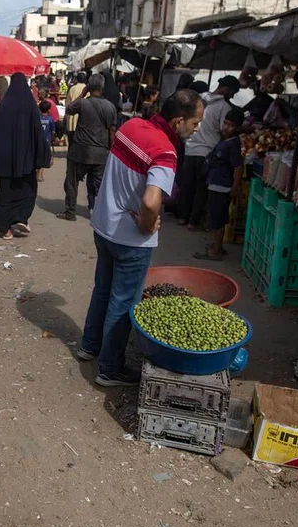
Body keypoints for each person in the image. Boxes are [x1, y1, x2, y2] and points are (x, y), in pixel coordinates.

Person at [78, 90, 205, 386]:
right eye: (195, 123)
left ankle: (89, 346)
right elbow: (150, 201)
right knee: (123, 304)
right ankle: (109, 369)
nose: (196, 129)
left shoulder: (130, 126)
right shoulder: (165, 151)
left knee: (103, 290)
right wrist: (148, 226)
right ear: (178, 121)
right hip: (130, 239)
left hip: (104, 225)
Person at [0, 73, 49, 240]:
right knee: (27, 190)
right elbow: (38, 132)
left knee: (5, 194)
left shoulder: (3, 106)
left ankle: (5, 229)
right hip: (26, 161)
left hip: (5, 161)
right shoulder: (30, 106)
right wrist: (41, 155)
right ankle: (21, 218)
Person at [178, 75, 240, 229]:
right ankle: (193, 221)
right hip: (207, 151)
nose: (232, 96)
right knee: (201, 189)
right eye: (232, 92)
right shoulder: (224, 107)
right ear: (226, 89)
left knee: (187, 186)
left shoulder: (198, 100)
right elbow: (224, 131)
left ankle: (182, 217)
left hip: (190, 148)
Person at [57, 74, 118, 222]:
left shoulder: (83, 104)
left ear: (89, 87)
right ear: (102, 88)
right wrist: (111, 150)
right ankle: (100, 214)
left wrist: (83, 94)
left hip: (80, 151)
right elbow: (112, 132)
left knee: (72, 182)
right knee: (98, 186)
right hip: (100, 153)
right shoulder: (110, 107)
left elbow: (69, 109)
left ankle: (70, 212)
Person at [194, 107, 245, 261]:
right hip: (215, 183)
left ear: (238, 128)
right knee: (216, 217)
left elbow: (238, 167)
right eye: (226, 123)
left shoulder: (234, 144)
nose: (227, 127)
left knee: (218, 219)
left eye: (231, 126)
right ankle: (218, 246)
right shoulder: (226, 140)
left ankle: (216, 251)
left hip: (222, 186)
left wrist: (235, 187)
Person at [63, 72, 88, 146]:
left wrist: (66, 115)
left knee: (71, 139)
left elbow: (67, 103)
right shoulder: (87, 89)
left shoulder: (72, 89)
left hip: (72, 116)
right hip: (83, 117)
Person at [37, 100, 56, 182]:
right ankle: (39, 175)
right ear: (49, 110)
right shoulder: (50, 120)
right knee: (44, 159)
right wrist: (53, 139)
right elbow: (53, 132)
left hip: (37, 141)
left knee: (37, 157)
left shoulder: (37, 118)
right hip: (46, 142)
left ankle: (38, 174)